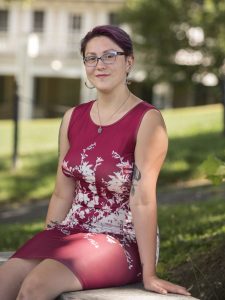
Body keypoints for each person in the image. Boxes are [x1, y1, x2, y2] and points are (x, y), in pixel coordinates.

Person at [0, 25, 191, 300]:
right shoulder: (72, 118)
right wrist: (47, 243)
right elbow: (61, 192)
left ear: (129, 61)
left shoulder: (147, 120)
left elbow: (144, 200)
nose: (99, 65)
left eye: (109, 56)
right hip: (71, 231)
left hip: (119, 240)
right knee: (5, 280)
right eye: (91, 58)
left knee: (36, 286)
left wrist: (150, 273)